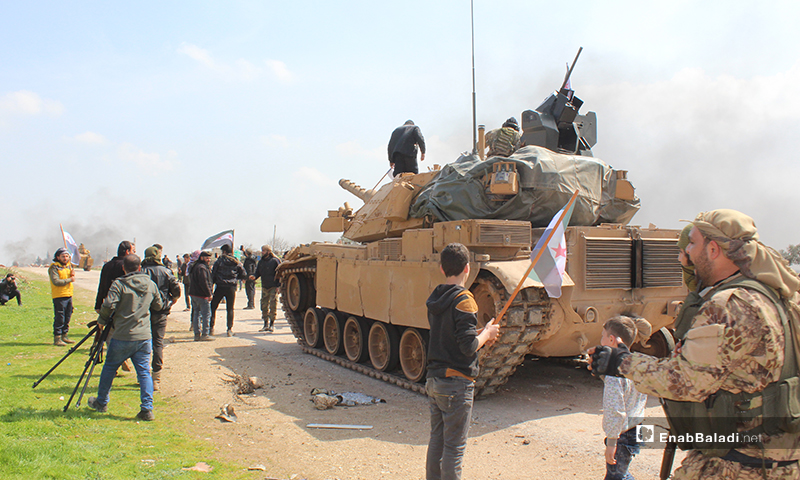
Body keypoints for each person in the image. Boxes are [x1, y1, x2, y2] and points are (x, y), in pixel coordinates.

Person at [589, 209, 800, 480]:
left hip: (740, 463)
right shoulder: (777, 295)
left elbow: (686, 381)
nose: (686, 253)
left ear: (713, 249)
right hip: (780, 455)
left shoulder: (728, 306)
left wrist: (621, 362)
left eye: (692, 243)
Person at [425, 243, 500, 480]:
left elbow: (454, 335)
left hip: (435, 380)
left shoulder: (436, 296)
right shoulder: (465, 300)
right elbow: (468, 348)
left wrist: (479, 333)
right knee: (454, 450)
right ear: (468, 268)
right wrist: (486, 335)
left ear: (441, 269)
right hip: (456, 383)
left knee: (437, 441)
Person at [87, 254, 164, 421]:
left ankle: (101, 402)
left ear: (124, 268)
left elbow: (108, 304)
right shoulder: (150, 284)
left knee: (109, 368)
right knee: (144, 373)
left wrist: (102, 320)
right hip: (143, 337)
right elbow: (159, 305)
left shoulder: (119, 284)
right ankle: (147, 409)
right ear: (139, 268)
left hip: (122, 335)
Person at [599, 315, 652, 480]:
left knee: (616, 477)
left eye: (602, 336)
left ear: (612, 339)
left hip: (623, 432)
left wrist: (612, 442)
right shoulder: (635, 363)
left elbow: (614, 408)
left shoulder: (614, 372)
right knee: (620, 474)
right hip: (637, 426)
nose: (600, 341)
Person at [141, 246, 181, 391]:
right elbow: (176, 289)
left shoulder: (140, 271)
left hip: (142, 312)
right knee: (158, 343)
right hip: (161, 312)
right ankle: (156, 378)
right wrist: (173, 299)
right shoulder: (166, 271)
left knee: (142, 343)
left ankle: (143, 377)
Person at [209, 244, 246, 336]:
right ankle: (229, 329)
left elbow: (213, 275)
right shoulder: (236, 261)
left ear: (224, 251)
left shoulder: (219, 261)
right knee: (230, 308)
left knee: (213, 307)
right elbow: (244, 274)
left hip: (220, 286)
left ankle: (211, 328)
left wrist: (211, 287)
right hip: (231, 287)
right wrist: (237, 278)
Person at [95, 241, 135, 313]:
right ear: (127, 252)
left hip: (108, 304)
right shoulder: (127, 267)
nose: (134, 254)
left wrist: (98, 305)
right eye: (133, 251)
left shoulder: (107, 265)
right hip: (122, 305)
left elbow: (101, 286)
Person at [250, 245, 281, 332]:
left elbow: (280, 274)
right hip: (265, 286)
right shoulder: (261, 262)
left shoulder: (275, 261)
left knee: (273, 305)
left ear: (268, 251)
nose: (262, 252)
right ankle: (265, 324)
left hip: (273, 286)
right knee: (264, 305)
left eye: (263, 251)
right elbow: (258, 272)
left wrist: (279, 285)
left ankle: (271, 324)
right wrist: (254, 276)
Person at [48, 248, 76, 346]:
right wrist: (70, 279)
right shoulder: (54, 267)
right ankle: (57, 338)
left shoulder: (68, 266)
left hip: (68, 294)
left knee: (68, 316)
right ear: (58, 257)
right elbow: (56, 281)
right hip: (59, 295)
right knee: (60, 317)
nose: (65, 258)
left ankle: (65, 335)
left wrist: (72, 274)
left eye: (67, 256)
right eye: (63, 256)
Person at [188, 250, 214, 341]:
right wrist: (209, 294)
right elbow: (204, 283)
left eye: (209, 258)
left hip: (193, 294)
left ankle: (196, 334)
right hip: (201, 295)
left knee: (196, 314)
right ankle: (205, 334)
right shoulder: (202, 268)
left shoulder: (195, 266)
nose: (208, 260)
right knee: (206, 314)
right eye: (207, 258)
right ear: (202, 258)